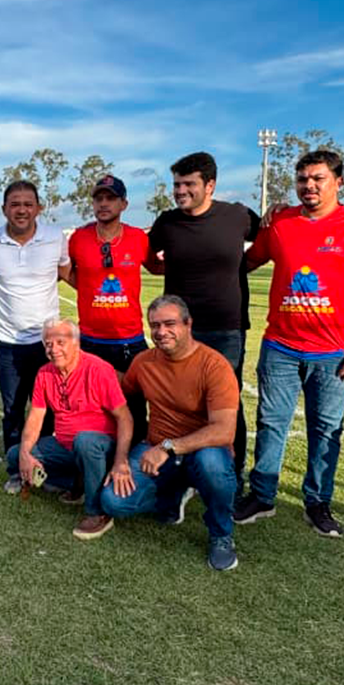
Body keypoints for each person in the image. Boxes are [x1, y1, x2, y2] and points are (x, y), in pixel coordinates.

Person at [234, 150, 344, 538]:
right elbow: (244, 264)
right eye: (303, 179)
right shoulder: (280, 222)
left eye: (318, 178)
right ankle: (262, 495)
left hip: (336, 352)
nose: (309, 186)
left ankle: (318, 501)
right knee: (271, 423)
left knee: (326, 429)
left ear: (338, 182)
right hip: (281, 347)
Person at [98, 295, 242, 572]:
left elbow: (224, 430)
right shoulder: (145, 362)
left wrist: (167, 447)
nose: (161, 332)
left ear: (188, 324)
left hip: (201, 450)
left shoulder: (214, 365)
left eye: (169, 324)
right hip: (156, 448)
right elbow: (122, 387)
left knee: (212, 464)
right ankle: (173, 496)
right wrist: (84, 364)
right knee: (113, 501)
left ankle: (221, 535)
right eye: (155, 325)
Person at [146, 151, 259, 476]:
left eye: (188, 184)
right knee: (178, 399)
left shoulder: (237, 216)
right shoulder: (167, 222)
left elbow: (270, 240)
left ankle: (232, 472)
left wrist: (241, 267)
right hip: (178, 331)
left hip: (226, 330)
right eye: (176, 184)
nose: (180, 191)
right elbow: (149, 258)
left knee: (226, 403)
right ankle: (183, 470)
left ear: (210, 185)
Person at [10, 315, 132, 539]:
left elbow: (125, 418)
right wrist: (26, 453)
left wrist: (120, 460)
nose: (53, 349)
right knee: (14, 455)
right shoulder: (45, 373)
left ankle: (97, 512)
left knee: (85, 441)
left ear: (76, 343)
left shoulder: (98, 369)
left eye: (60, 342)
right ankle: (79, 481)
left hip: (99, 445)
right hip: (65, 444)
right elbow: (36, 416)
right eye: (48, 344)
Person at [0, 178, 65, 491]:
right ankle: (16, 470)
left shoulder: (55, 238)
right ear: (4, 208)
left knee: (50, 409)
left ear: (38, 208)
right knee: (13, 410)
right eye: (15, 204)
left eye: (28, 204)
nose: (21, 210)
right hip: (8, 343)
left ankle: (47, 468)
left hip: (47, 344)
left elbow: (66, 274)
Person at [61, 173, 149, 373]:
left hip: (130, 339)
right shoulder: (79, 238)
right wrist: (87, 287)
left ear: (124, 204)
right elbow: (63, 269)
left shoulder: (138, 237)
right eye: (98, 199)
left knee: (134, 393)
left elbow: (156, 266)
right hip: (90, 340)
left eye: (110, 198)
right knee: (90, 394)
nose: (103, 204)